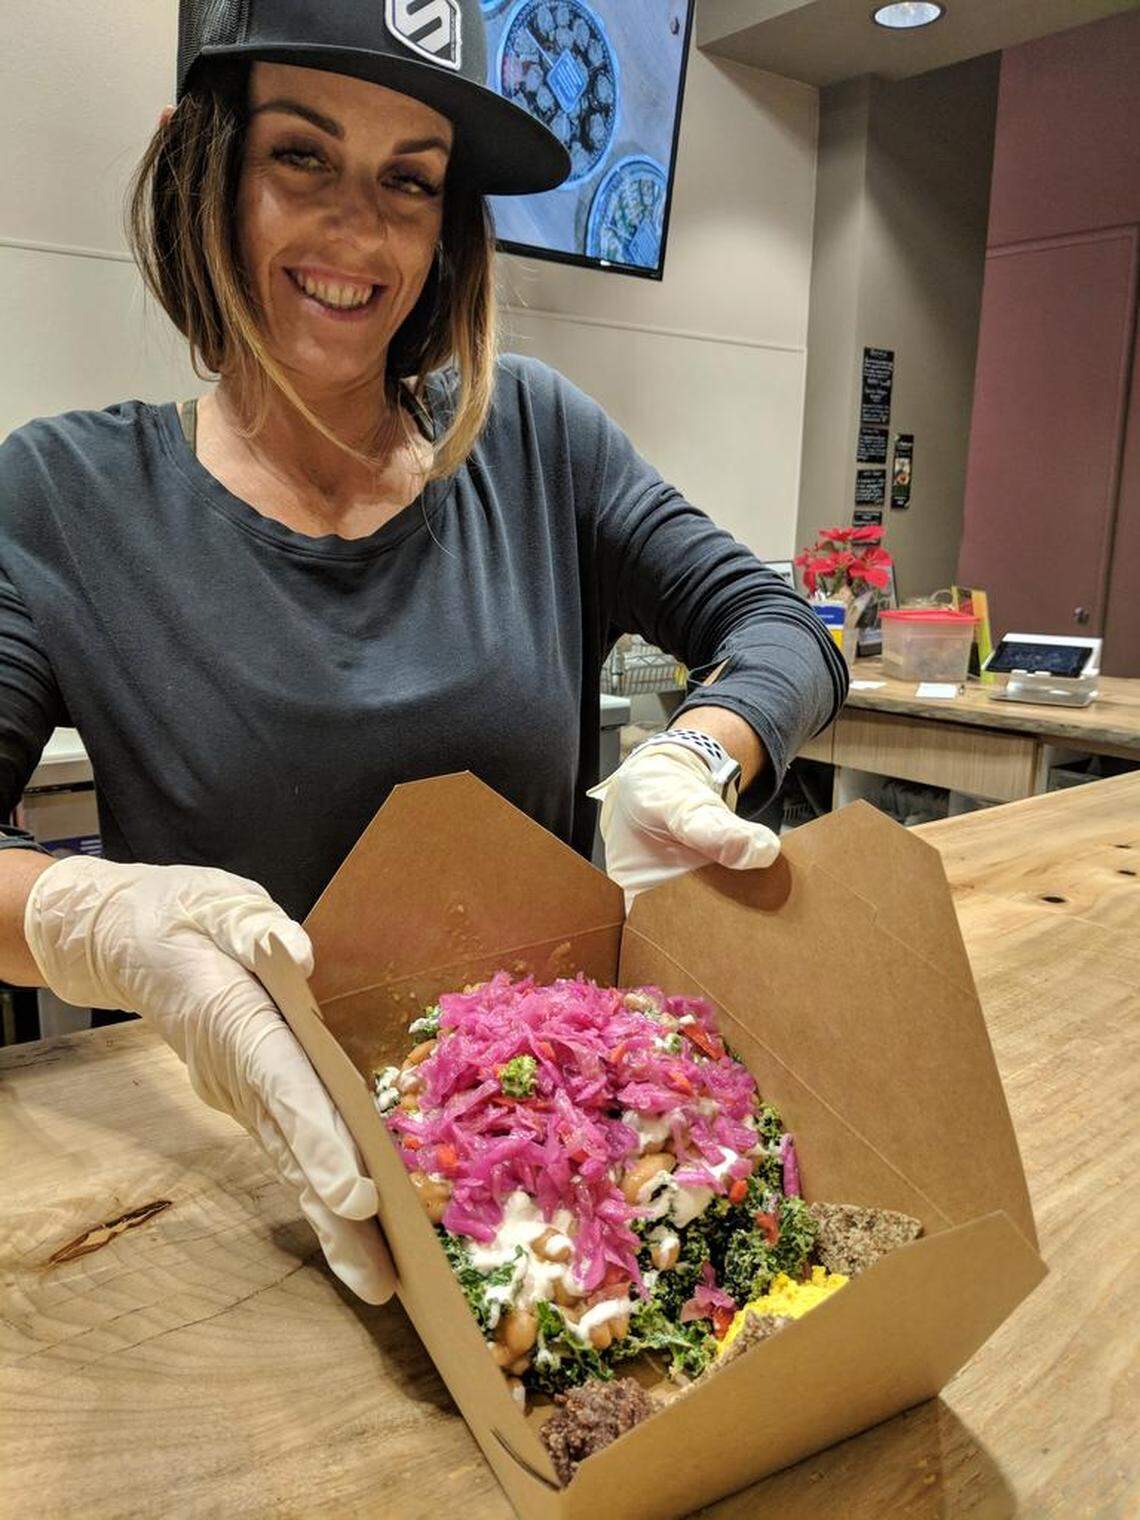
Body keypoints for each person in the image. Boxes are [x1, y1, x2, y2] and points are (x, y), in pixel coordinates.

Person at [0, 0, 846, 1304]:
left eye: (411, 180)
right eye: (302, 156)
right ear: (199, 162)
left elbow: (779, 626)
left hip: (561, 1192)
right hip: (236, 1204)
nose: (360, 231)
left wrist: (696, 753)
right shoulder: (61, 500)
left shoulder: (532, 439)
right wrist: (94, 920)